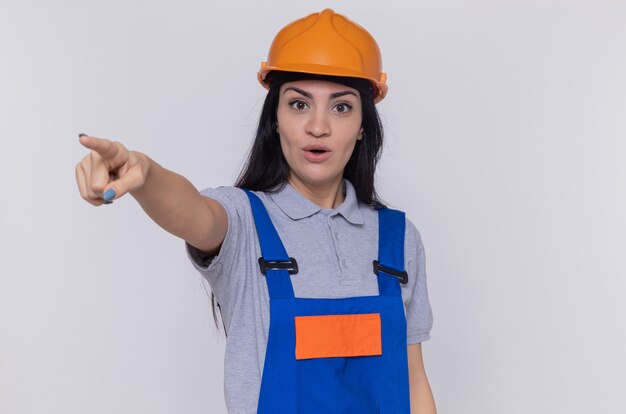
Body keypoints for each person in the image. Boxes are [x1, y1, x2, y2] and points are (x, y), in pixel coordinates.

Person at [75, 8, 436, 414]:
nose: (318, 127)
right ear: (276, 120)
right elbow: (193, 212)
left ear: (364, 124)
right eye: (299, 104)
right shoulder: (245, 223)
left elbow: (414, 382)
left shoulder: (399, 239)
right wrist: (145, 174)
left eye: (341, 107)